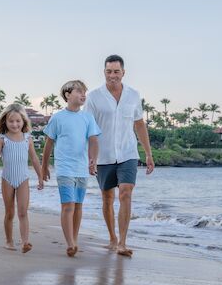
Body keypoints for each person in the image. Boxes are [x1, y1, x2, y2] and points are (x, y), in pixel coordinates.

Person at [85, 54, 154, 257]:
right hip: (103, 155)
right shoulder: (94, 97)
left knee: (125, 192)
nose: (112, 75)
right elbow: (89, 129)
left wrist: (148, 154)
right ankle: (112, 238)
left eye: (116, 71)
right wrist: (90, 157)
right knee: (107, 198)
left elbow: (139, 124)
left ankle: (123, 243)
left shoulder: (133, 95)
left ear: (123, 72)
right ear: (104, 72)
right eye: (108, 71)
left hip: (128, 153)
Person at [41, 80, 100, 257]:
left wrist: (93, 161)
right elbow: (49, 143)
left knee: (78, 206)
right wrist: (44, 166)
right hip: (64, 168)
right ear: (67, 95)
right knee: (68, 205)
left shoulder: (87, 117)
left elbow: (94, 141)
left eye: (84, 92)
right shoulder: (58, 117)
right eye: (79, 91)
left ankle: (75, 240)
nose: (83, 95)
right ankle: (69, 243)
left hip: (81, 169)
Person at [0, 104, 44, 253]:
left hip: (23, 179)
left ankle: (25, 242)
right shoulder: (2, 139)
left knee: (23, 212)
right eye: (11, 121)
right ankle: (9, 241)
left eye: (18, 121)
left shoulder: (27, 138)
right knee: (10, 212)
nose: (15, 124)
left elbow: (34, 159)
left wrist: (40, 177)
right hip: (7, 179)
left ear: (23, 121)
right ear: (5, 122)